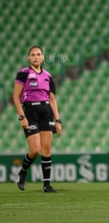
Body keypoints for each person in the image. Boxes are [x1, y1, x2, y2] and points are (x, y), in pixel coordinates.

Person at [13, 46, 63, 193]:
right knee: (35, 150)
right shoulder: (23, 73)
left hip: (46, 111)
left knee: (46, 148)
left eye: (38, 54)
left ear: (42, 57)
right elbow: (16, 97)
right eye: (33, 54)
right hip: (29, 111)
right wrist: (22, 116)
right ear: (29, 58)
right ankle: (23, 172)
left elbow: (52, 99)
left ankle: (46, 185)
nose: (36, 57)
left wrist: (58, 120)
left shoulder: (47, 75)